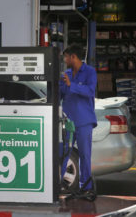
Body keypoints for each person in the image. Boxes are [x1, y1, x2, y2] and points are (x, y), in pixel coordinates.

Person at [59, 43, 97, 199]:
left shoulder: (90, 72)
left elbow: (90, 91)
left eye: (66, 57)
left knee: (84, 155)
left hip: (84, 121)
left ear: (73, 57)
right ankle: (59, 185)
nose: (65, 60)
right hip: (68, 122)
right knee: (63, 154)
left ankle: (86, 188)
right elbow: (60, 93)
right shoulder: (66, 73)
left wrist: (71, 85)